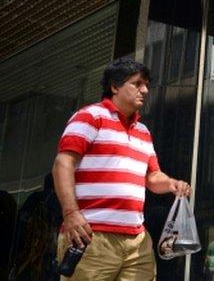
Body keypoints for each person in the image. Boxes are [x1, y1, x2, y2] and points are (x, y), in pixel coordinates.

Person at [51, 58, 191, 280]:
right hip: (91, 234)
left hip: (137, 240)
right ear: (114, 87)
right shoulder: (90, 117)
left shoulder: (143, 131)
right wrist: (70, 213)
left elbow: (152, 177)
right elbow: (62, 163)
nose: (144, 90)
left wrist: (171, 184)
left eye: (146, 84)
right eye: (136, 83)